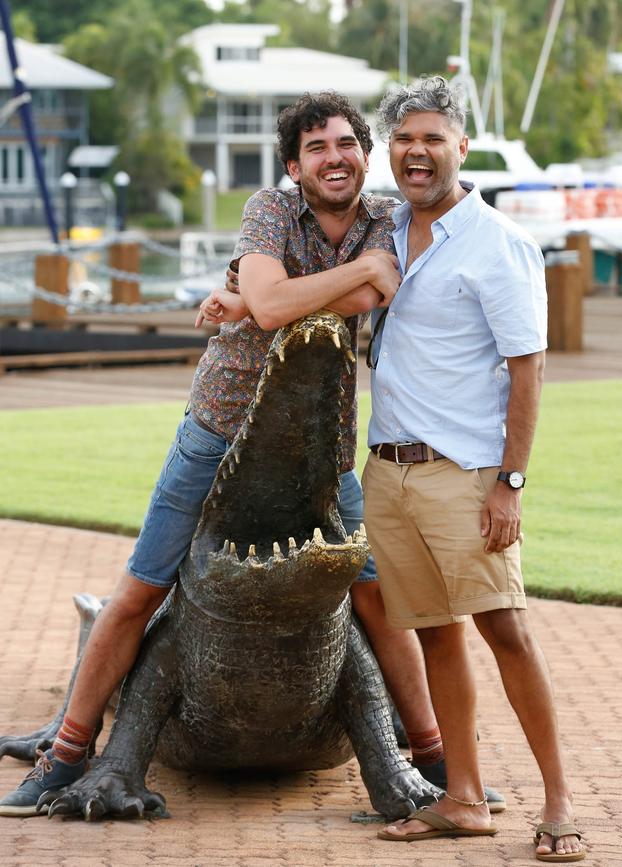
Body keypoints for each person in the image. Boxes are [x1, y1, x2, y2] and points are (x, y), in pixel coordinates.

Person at [0, 91, 479, 817]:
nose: (334, 157)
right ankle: (65, 755)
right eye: (316, 148)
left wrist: (275, 293)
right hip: (217, 427)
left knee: (381, 598)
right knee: (140, 590)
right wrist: (335, 282)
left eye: (346, 143)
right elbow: (278, 304)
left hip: (326, 447)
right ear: (295, 165)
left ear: (364, 152)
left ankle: (433, 758)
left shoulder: (387, 217)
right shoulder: (269, 210)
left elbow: (295, 298)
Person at [361, 77, 584, 862]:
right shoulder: (386, 229)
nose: (416, 153)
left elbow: (529, 369)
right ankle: (462, 796)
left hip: (466, 475)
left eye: (432, 139)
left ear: (461, 146)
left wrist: (510, 483)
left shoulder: (499, 242)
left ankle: (558, 800)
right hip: (387, 469)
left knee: (506, 629)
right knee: (434, 633)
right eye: (403, 139)